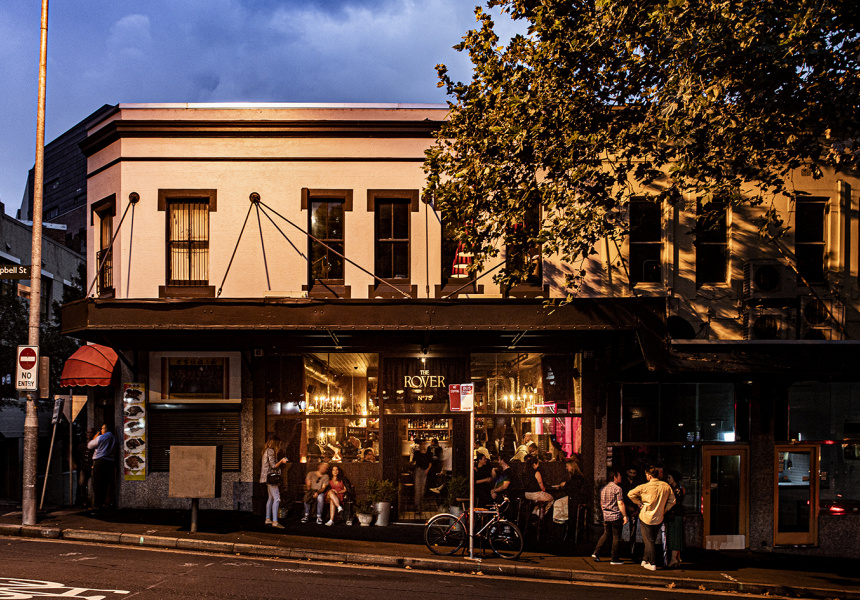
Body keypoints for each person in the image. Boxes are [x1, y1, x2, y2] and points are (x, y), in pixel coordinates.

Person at [628, 466, 676, 571]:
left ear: (649, 476)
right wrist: (664, 509)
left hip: (646, 516)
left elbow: (630, 494)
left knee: (649, 541)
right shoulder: (666, 486)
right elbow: (672, 501)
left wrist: (639, 503)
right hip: (659, 516)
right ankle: (645, 559)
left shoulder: (644, 487)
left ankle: (652, 562)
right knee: (651, 539)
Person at [592, 469, 628, 565]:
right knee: (616, 537)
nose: (621, 477)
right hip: (616, 515)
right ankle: (614, 558)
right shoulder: (617, 489)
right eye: (619, 475)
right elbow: (620, 503)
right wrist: (624, 515)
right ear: (615, 477)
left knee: (606, 534)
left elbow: (601, 503)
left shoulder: (603, 489)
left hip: (606, 516)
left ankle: (596, 552)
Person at [87, 423, 118, 513]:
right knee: (105, 483)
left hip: (100, 461)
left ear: (105, 429)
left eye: (102, 428)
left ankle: (97, 504)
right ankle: (103, 502)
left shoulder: (101, 437)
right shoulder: (114, 438)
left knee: (97, 483)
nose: (101, 430)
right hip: (110, 462)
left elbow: (89, 446)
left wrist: (95, 437)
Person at [260, 433, 288, 529]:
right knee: (277, 498)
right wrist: (281, 461)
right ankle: (275, 521)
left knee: (270, 498)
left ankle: (268, 519)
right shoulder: (271, 451)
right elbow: (273, 465)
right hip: (271, 478)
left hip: (266, 478)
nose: (279, 446)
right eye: (278, 444)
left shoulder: (266, 451)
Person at [664, 470, 686, 567]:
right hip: (675, 515)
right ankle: (676, 558)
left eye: (670, 477)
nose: (668, 479)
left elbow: (674, 503)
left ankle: (673, 559)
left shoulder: (676, 490)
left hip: (674, 515)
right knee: (675, 536)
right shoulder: (677, 489)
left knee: (674, 537)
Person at [621, 466, 643, 555]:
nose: (632, 475)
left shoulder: (637, 483)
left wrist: (637, 510)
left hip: (634, 506)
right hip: (625, 506)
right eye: (630, 473)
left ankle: (632, 547)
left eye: (634, 473)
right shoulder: (623, 483)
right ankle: (627, 547)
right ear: (627, 472)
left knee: (634, 528)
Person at [73, 428, 94, 508]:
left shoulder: (94, 444)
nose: (89, 434)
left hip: (91, 468)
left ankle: (92, 501)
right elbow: (77, 456)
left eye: (90, 432)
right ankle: (82, 501)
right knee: (81, 485)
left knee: (93, 484)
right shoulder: (82, 445)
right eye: (87, 432)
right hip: (83, 468)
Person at [411, 438, 432, 511]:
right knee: (417, 489)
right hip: (418, 470)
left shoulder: (429, 453)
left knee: (422, 489)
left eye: (423, 444)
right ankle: (417, 506)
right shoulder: (417, 453)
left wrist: (427, 470)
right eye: (421, 444)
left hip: (424, 471)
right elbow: (413, 461)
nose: (422, 446)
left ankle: (421, 504)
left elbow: (430, 463)